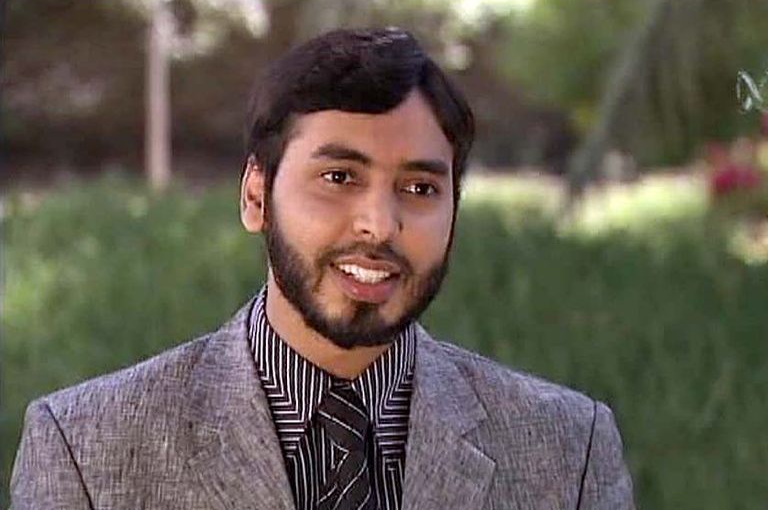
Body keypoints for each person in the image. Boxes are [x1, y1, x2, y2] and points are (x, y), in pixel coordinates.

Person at [10, 27, 635, 510]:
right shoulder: (85, 450)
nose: (379, 225)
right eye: (339, 177)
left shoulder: (567, 449)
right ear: (256, 196)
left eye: (420, 188)